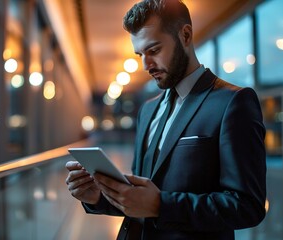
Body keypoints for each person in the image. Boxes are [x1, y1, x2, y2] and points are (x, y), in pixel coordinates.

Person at [65, 0, 266, 239]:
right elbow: (139, 200)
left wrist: (161, 205)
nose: (145, 65)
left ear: (186, 35)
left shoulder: (233, 102)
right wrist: (97, 197)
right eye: (140, 54)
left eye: (154, 50)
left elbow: (248, 206)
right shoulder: (148, 110)